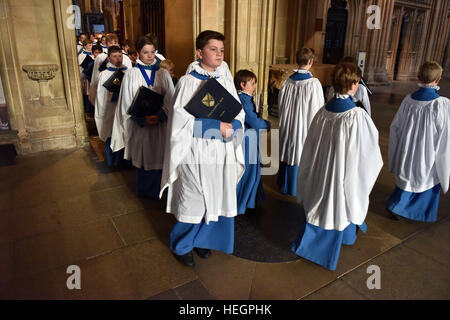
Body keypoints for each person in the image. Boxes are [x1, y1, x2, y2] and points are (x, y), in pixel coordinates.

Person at [160, 30, 245, 267]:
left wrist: (236, 124)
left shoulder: (225, 79)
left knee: (215, 196)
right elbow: (180, 123)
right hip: (195, 152)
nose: (219, 54)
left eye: (222, 50)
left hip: (221, 151)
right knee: (194, 199)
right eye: (213, 49)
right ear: (199, 52)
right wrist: (217, 125)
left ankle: (202, 240)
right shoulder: (188, 82)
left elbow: (239, 111)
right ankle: (182, 245)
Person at [291, 62, 383, 271]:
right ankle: (337, 240)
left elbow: (310, 146)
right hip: (340, 174)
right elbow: (368, 154)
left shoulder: (322, 111)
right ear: (354, 85)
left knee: (322, 202)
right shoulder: (356, 116)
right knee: (340, 203)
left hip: (320, 171)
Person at [111, 35, 174, 197]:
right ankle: (145, 191)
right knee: (144, 156)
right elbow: (126, 101)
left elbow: (171, 98)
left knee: (160, 155)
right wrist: (141, 119)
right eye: (145, 52)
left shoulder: (163, 74)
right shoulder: (131, 74)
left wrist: (161, 115)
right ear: (138, 53)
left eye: (152, 52)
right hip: (141, 125)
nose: (150, 56)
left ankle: (162, 191)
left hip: (161, 123)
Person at [386, 61, 449, 222]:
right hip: (427, 153)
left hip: (407, 150)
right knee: (425, 178)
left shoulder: (408, 100)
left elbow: (396, 127)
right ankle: (402, 208)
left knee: (407, 179)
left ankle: (397, 205)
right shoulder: (441, 104)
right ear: (438, 79)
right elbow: (444, 136)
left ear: (419, 76)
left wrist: (397, 150)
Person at [277, 47, 325, 196]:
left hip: (288, 124)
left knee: (287, 149)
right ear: (310, 61)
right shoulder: (313, 84)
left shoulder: (287, 82)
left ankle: (284, 184)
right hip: (303, 126)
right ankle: (296, 187)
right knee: (299, 151)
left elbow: (281, 105)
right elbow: (318, 110)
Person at [234, 69, 270, 214]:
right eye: (252, 83)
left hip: (248, 138)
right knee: (249, 171)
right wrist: (266, 124)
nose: (254, 86)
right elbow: (252, 119)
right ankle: (243, 203)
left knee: (252, 170)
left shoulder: (243, 98)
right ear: (243, 84)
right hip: (247, 140)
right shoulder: (244, 99)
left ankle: (252, 200)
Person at [94, 46, 129, 167]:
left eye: (120, 56)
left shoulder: (128, 72)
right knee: (111, 132)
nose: (118, 59)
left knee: (125, 133)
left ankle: (126, 161)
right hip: (111, 109)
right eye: (114, 56)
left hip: (125, 109)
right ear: (109, 58)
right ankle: (113, 162)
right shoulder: (104, 74)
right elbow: (101, 96)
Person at [88, 33, 133, 106]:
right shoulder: (101, 57)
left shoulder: (125, 58)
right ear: (106, 43)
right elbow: (96, 76)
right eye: (110, 43)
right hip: (106, 91)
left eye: (115, 42)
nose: (113, 45)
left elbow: (129, 75)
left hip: (121, 91)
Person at [78, 39, 94, 113]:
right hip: (85, 77)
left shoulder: (94, 54)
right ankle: (87, 109)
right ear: (84, 46)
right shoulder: (81, 55)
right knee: (87, 92)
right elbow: (80, 66)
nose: (91, 46)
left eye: (92, 45)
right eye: (89, 45)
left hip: (93, 76)